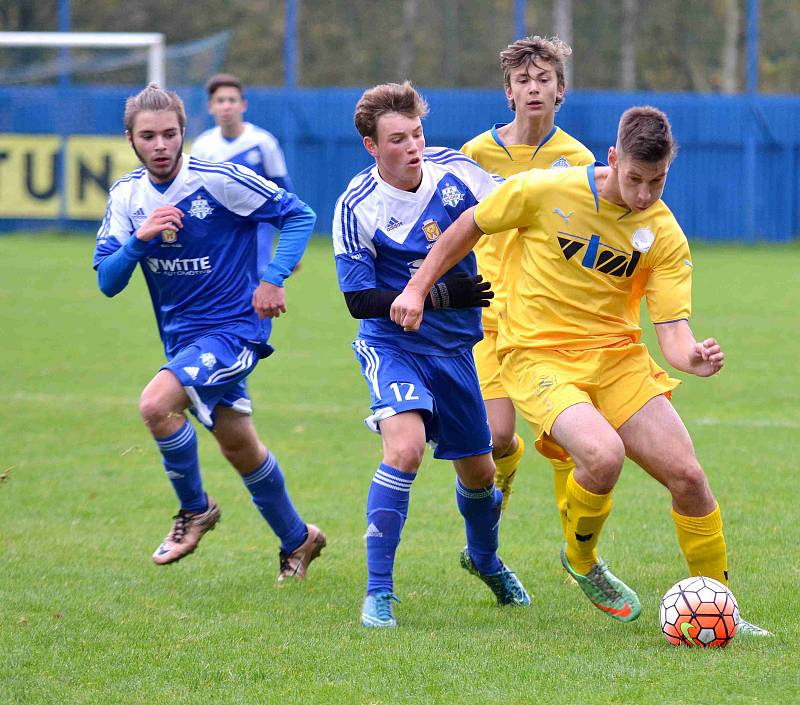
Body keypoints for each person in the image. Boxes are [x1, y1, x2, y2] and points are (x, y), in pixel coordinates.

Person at [390, 106, 770, 635]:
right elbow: (470, 224)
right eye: (634, 179)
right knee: (602, 455)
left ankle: (721, 609)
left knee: (690, 479)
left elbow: (673, 335)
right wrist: (416, 288)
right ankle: (583, 559)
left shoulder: (663, 234)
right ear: (613, 159)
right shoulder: (547, 190)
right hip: (537, 354)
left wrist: (694, 360)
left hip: (617, 359)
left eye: (656, 182)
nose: (643, 194)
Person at [93, 83, 326, 582]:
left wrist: (272, 278)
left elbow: (299, 213)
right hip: (182, 339)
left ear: (183, 133)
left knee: (156, 405)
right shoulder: (127, 196)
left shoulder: (219, 179)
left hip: (233, 330)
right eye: (148, 136)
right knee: (239, 445)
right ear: (130, 139)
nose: (161, 145)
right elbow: (108, 281)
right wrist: (138, 239)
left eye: (170, 134)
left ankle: (195, 510)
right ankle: (298, 539)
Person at [332, 81, 530, 628]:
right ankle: (378, 593)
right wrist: (443, 293)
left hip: (455, 352)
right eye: (397, 139)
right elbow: (358, 300)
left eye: (417, 133)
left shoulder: (457, 171)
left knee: (480, 472)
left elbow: (520, 203)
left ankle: (486, 560)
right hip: (392, 346)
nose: (412, 146)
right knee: (405, 449)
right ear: (372, 147)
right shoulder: (356, 205)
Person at [461, 36, 594, 521]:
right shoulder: (475, 154)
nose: (534, 88)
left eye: (544, 79)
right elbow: (459, 229)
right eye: (524, 80)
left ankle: (580, 553)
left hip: (548, 319)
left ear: (561, 90)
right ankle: (499, 490)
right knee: (494, 437)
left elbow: (585, 241)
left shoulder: (578, 161)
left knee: (566, 439)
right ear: (508, 92)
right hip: (487, 315)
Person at [191, 73, 296, 275]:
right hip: (217, 233)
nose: (227, 106)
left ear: (243, 105)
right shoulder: (201, 147)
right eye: (220, 101)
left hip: (256, 231)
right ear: (210, 107)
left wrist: (290, 249)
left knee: (257, 290)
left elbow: (285, 194)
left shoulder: (263, 142)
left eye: (232, 100)